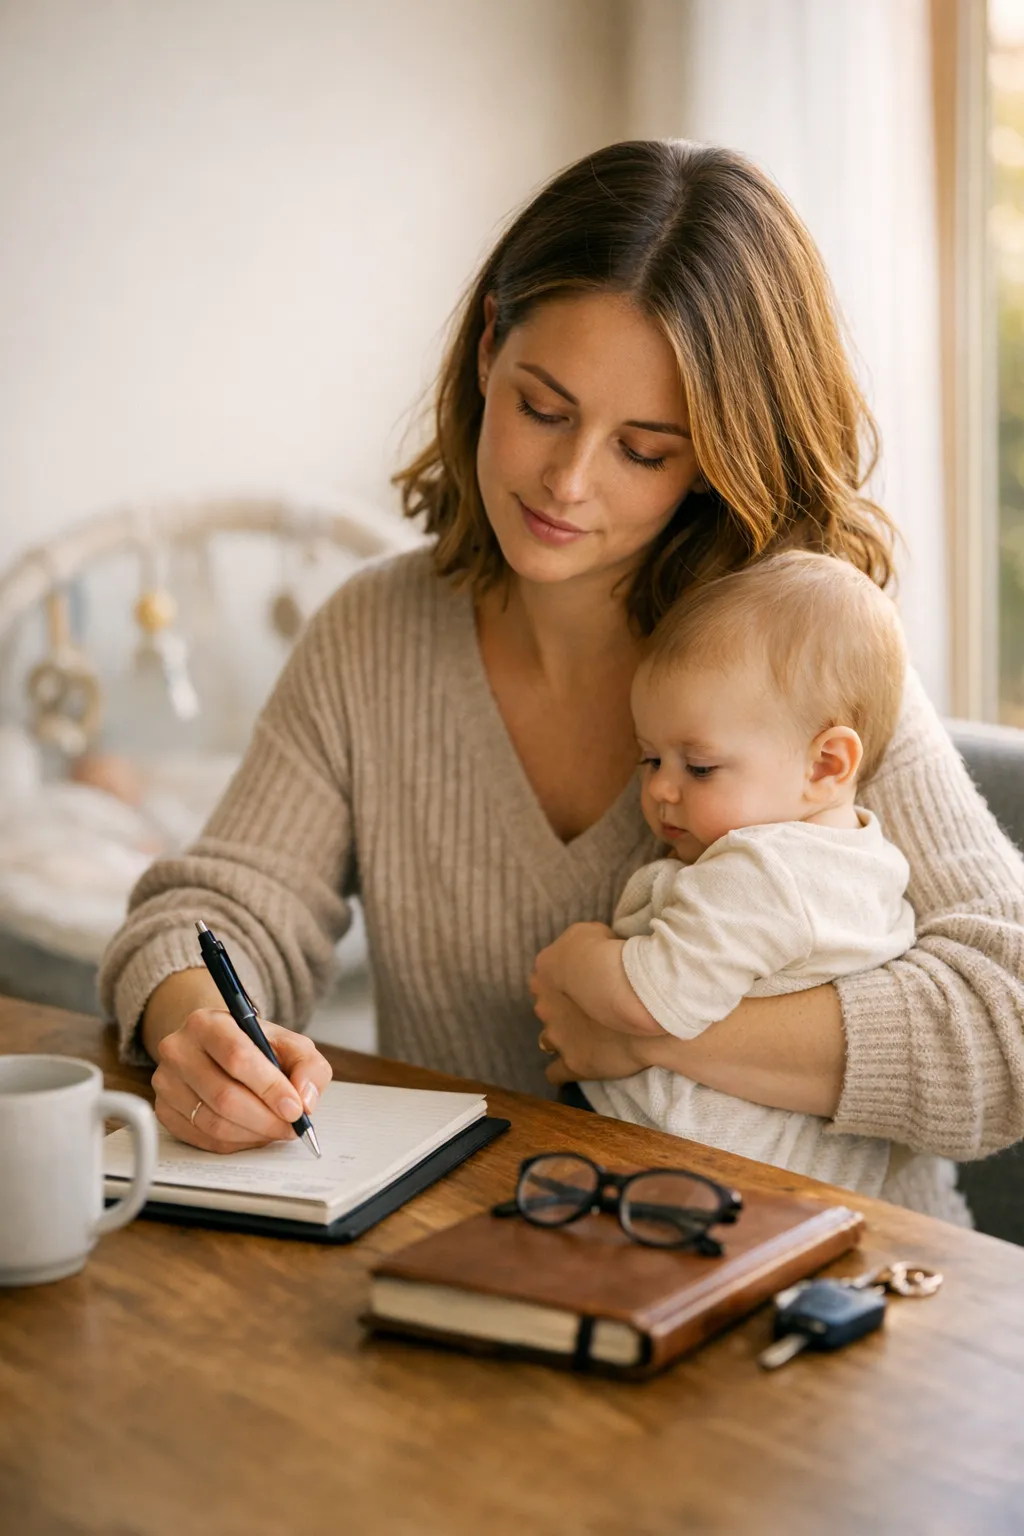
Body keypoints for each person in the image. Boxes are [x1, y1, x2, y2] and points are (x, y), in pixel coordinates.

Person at [98, 140, 1024, 1194]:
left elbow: (1009, 1021)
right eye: (543, 405)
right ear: (490, 344)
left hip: (833, 1301)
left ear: (719, 454)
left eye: (643, 449)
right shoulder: (372, 638)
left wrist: (648, 1030)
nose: (566, 480)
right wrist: (199, 1034)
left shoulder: (804, 660)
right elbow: (210, 918)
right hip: (501, 1266)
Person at [531, 550, 969, 1220]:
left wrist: (574, 955)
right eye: (649, 758)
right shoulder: (863, 856)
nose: (659, 789)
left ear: (826, 764)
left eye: (698, 766)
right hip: (794, 1187)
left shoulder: (762, 871)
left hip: (697, 1173)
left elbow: (653, 999)